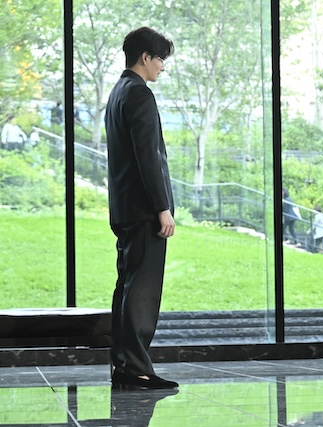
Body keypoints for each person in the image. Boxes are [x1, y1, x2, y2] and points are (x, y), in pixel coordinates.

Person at [105, 27, 177, 389]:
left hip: (124, 208)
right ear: (145, 57)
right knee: (141, 291)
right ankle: (135, 368)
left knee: (128, 286)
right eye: (160, 58)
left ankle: (124, 365)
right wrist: (162, 207)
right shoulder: (139, 94)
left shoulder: (118, 92)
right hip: (144, 210)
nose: (162, 66)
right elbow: (148, 157)